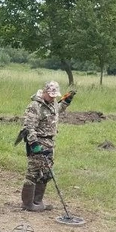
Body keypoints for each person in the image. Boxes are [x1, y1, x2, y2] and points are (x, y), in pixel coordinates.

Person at [17, 80, 76, 212]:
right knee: (33, 172)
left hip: (50, 143)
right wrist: (35, 145)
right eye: (50, 95)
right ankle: (27, 204)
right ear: (44, 92)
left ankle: (38, 201)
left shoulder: (53, 103)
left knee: (46, 173)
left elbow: (57, 110)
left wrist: (66, 101)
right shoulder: (35, 106)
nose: (52, 98)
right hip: (38, 142)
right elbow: (28, 127)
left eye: (55, 96)